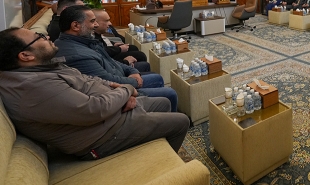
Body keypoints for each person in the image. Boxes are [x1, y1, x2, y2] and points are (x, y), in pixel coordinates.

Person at [0, 27, 189, 159]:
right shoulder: (33, 87)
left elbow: (89, 79)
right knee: (181, 121)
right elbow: (93, 109)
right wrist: (126, 90)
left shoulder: (42, 67)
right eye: (39, 37)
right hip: (103, 136)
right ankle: (162, 168)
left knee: (164, 102)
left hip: (112, 111)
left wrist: (116, 89)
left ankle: (154, 144)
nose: (48, 37)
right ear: (25, 55)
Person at [54, 5, 179, 112]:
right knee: (170, 93)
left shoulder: (84, 41)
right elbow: (107, 80)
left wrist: (133, 71)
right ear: (75, 26)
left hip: (122, 79)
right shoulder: (78, 55)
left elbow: (110, 60)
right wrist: (134, 82)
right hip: (117, 93)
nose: (96, 25)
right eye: (92, 21)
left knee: (157, 78)